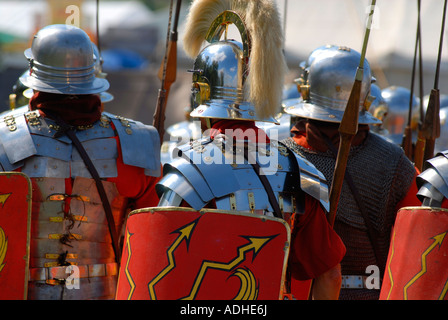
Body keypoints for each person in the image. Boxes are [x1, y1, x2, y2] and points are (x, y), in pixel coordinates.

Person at [117, 0, 346, 300]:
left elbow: (159, 272)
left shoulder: (189, 172)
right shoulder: (297, 170)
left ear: (201, 92)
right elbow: (329, 275)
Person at [0, 24, 161, 300]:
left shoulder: (3, 137)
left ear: (33, 74)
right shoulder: (136, 141)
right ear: (93, 75)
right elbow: (153, 240)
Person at [282, 45, 421, 300]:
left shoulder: (282, 159)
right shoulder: (395, 162)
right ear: (367, 97)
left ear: (306, 89)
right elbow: (418, 250)